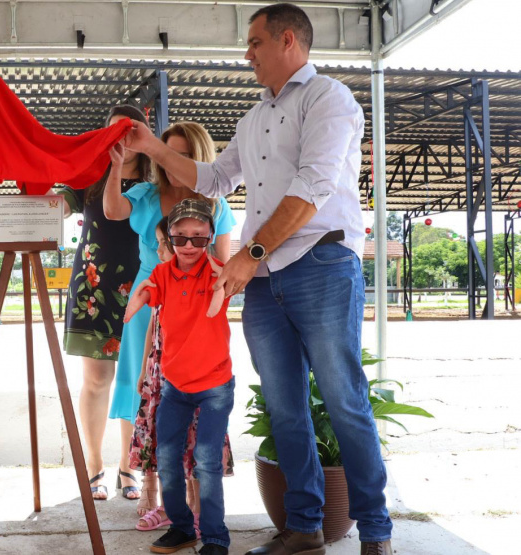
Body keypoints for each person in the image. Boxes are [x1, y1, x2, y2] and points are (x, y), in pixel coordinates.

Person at [124, 4, 392, 555]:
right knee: (285, 405)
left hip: (320, 263)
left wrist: (250, 252)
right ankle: (305, 527)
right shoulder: (252, 119)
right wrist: (150, 147)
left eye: (253, 43)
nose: (246, 54)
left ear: (286, 40)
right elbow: (214, 178)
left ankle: (376, 532)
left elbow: (314, 185)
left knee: (344, 401)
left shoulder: (329, 100)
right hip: (267, 281)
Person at [104, 121, 235, 510]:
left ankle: (192, 490)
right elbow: (112, 210)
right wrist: (115, 166)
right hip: (150, 296)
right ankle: (148, 485)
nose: (171, 160)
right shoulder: (146, 193)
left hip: (194, 306)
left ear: (198, 157)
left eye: (182, 154)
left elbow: (223, 265)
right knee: (144, 391)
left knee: (191, 399)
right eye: (167, 152)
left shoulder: (217, 202)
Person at [124, 198, 233, 555]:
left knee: (207, 460)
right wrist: (138, 299)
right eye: (180, 238)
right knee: (167, 457)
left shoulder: (217, 272)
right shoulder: (162, 273)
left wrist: (225, 284)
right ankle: (183, 527)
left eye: (198, 238)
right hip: (174, 387)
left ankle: (215, 536)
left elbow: (235, 283)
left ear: (210, 238)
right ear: (169, 239)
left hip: (214, 386)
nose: (189, 246)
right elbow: (147, 292)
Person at [60, 105, 151, 500]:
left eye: (130, 132)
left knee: (135, 381)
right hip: (94, 290)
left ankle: (127, 466)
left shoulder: (157, 179)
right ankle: (93, 466)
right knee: (96, 381)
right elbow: (53, 206)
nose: (122, 140)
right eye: (113, 132)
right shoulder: (88, 175)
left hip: (145, 288)